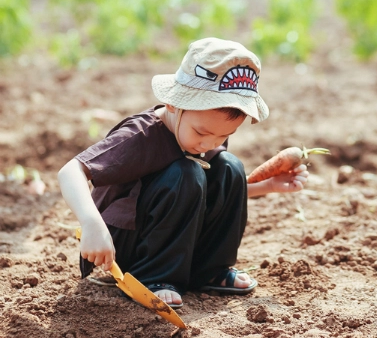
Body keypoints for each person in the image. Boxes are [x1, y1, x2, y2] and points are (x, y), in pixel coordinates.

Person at [58, 37, 308, 309]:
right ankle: (152, 276)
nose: (210, 143)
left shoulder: (208, 136)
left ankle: (210, 270)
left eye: (225, 134)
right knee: (186, 172)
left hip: (171, 236)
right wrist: (91, 224)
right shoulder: (140, 136)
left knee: (229, 167)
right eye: (202, 132)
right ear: (174, 104)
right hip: (120, 244)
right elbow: (71, 171)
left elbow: (206, 192)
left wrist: (268, 186)